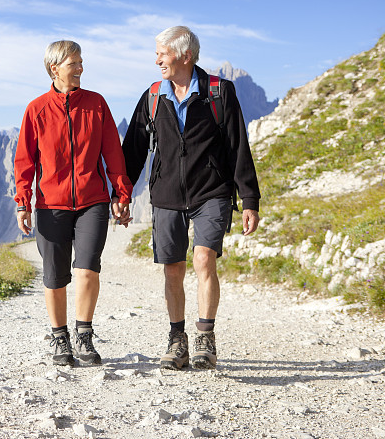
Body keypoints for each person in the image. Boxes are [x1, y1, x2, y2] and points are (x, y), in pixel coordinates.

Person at [122, 26, 260, 370]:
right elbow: (134, 150)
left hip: (211, 192)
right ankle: (177, 339)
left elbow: (237, 147)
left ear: (185, 55)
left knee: (203, 260)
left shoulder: (219, 93)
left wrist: (250, 199)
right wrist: (121, 193)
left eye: (162, 53)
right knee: (173, 269)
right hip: (167, 194)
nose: (157, 61)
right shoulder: (154, 96)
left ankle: (205, 338)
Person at [14, 40, 133, 366]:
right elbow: (24, 161)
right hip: (51, 205)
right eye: (74, 63)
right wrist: (23, 202)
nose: (80, 68)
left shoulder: (96, 104)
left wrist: (121, 193)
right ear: (54, 68)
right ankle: (59, 338)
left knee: (87, 269)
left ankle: (83, 336)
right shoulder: (36, 109)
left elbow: (113, 152)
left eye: (81, 62)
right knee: (54, 275)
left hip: (92, 201)